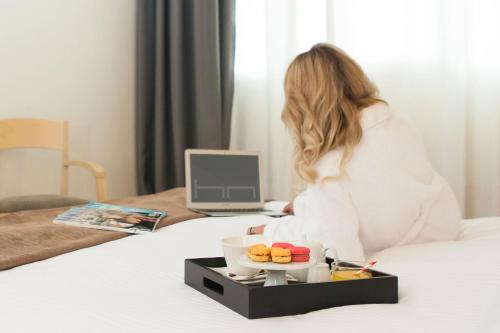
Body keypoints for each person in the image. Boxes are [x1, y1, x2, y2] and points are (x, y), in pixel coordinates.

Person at [247, 44, 460, 260]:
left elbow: (336, 249)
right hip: (441, 226)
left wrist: (271, 231)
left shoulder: (330, 166)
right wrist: (310, 202)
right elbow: (376, 190)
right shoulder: (396, 122)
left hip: (398, 243)